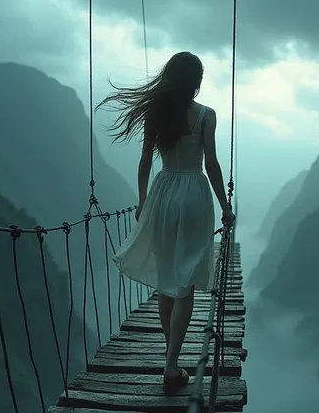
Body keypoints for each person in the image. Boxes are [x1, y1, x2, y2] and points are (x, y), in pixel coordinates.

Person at [99, 51, 235, 396]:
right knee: (185, 282)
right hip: (193, 194)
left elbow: (145, 160)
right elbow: (213, 165)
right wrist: (226, 206)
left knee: (166, 280)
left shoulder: (155, 113)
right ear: (196, 82)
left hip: (163, 191)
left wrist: (143, 200)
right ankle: (172, 364)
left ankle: (170, 357)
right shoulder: (206, 115)